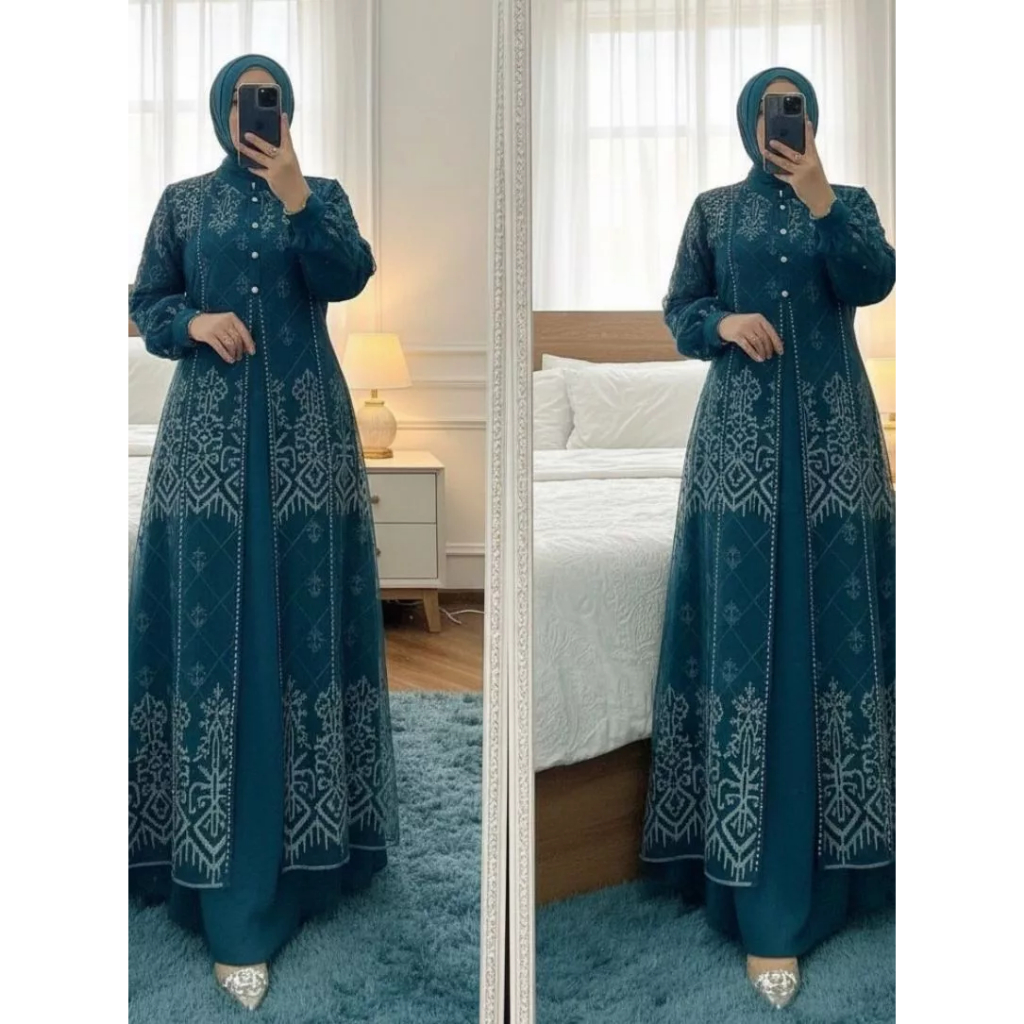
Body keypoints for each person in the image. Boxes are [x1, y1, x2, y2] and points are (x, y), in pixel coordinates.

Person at [128, 54, 399, 1011]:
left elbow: (348, 276)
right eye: (246, 101)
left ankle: (312, 848)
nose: (258, 114)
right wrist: (193, 323)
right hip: (205, 442)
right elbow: (145, 303)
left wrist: (297, 196)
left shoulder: (320, 193)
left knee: (301, 624)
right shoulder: (181, 202)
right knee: (211, 638)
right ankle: (205, 857)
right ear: (221, 111)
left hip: (306, 440)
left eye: (271, 100)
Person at [641, 67, 895, 1009]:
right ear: (747, 120)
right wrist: (723, 321)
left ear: (811, 121)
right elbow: (679, 312)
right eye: (768, 109)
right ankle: (751, 881)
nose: (780, 123)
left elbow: (872, 280)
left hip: (835, 448)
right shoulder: (714, 212)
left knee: (837, 634)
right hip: (739, 450)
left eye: (795, 109)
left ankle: (849, 865)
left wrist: (823, 197)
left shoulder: (848, 203)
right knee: (748, 642)